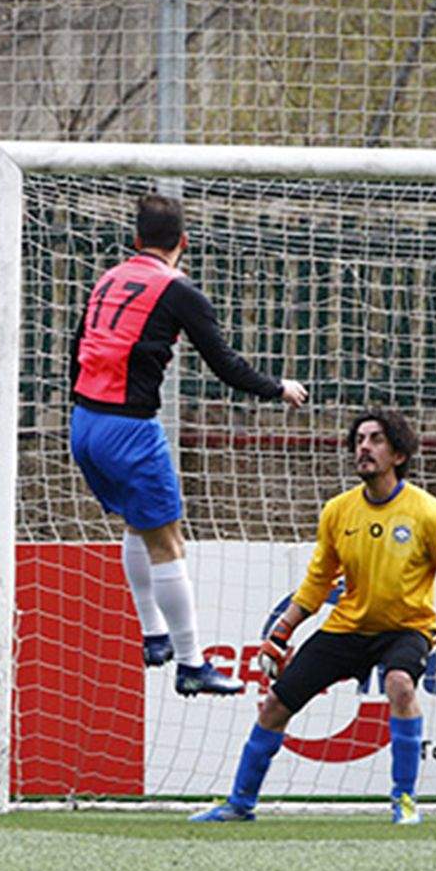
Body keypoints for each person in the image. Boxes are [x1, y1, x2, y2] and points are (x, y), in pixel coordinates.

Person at [191, 407, 436, 824]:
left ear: (398, 455)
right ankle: (240, 803)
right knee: (275, 702)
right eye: (359, 440)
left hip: (406, 629)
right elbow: (318, 581)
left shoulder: (429, 513)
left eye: (376, 440)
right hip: (347, 628)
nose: (363, 447)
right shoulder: (337, 511)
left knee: (400, 684)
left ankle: (403, 800)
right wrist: (282, 630)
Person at [70, 194, 309, 696]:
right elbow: (225, 364)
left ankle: (154, 636)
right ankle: (191, 663)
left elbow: (79, 348)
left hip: (83, 421)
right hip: (129, 429)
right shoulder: (179, 291)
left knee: (139, 523)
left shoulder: (108, 279)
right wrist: (277, 388)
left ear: (135, 241)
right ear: (183, 242)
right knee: (169, 540)